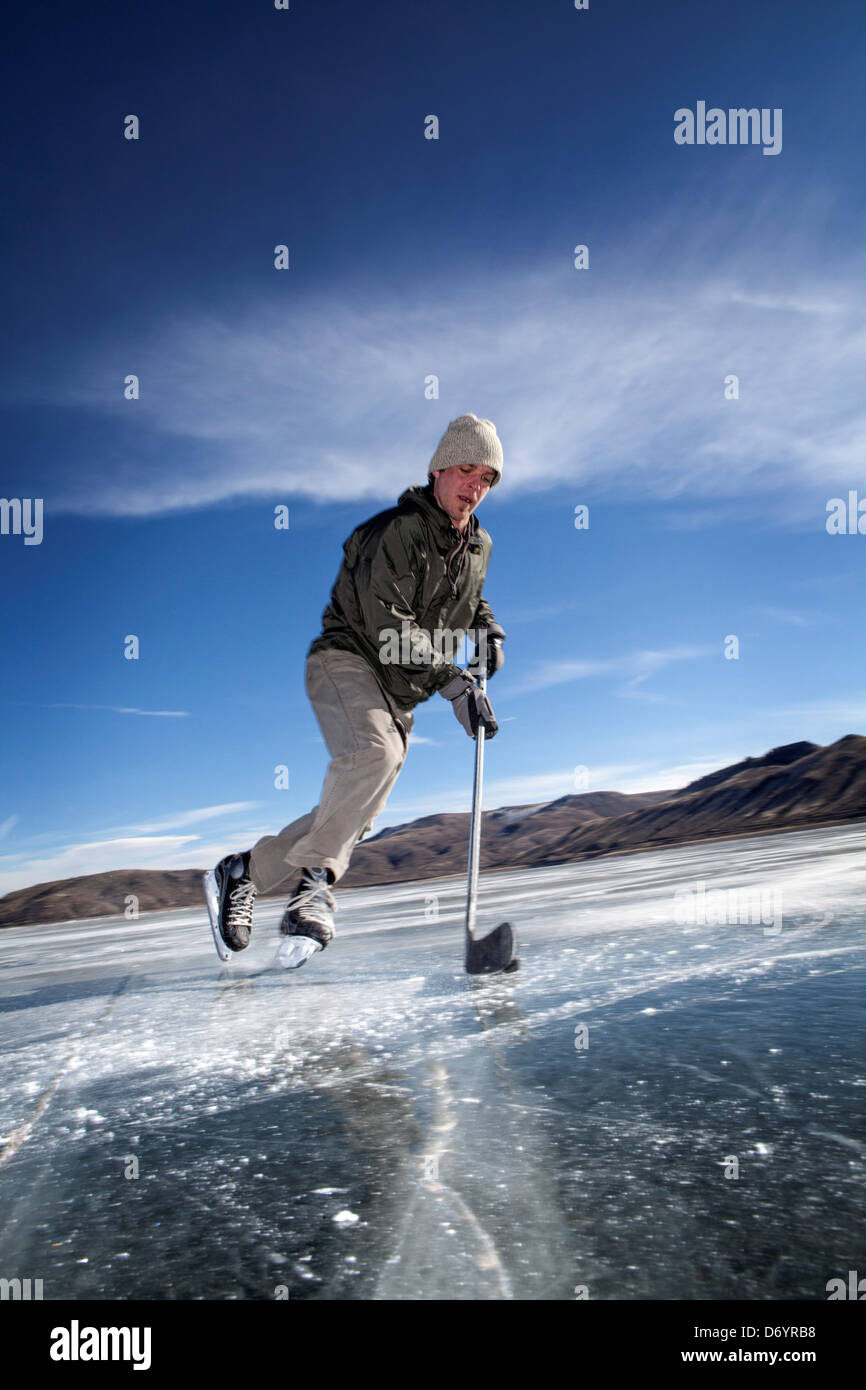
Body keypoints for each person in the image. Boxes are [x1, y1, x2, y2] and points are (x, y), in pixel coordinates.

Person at [207, 413, 506, 966]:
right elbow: (388, 621)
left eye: (487, 478)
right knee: (374, 754)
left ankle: (244, 872)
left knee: (356, 812)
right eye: (466, 470)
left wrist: (486, 632)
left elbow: (471, 600)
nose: (475, 486)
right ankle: (313, 891)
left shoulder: (478, 545)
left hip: (401, 688)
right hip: (348, 660)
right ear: (439, 468)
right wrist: (453, 684)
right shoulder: (396, 533)